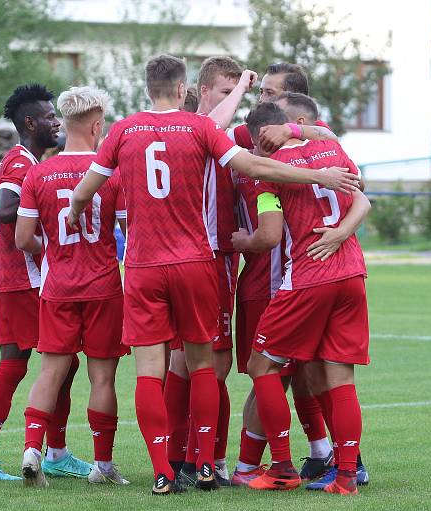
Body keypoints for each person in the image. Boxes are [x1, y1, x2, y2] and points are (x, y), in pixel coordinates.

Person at [68, 54, 360, 495]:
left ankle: (173, 468)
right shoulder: (202, 129)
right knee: (208, 365)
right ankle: (210, 462)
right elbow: (258, 169)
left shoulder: (126, 130)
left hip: (156, 265)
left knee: (165, 368)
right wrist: (317, 173)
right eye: (232, 92)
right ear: (191, 88)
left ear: (147, 86)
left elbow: (87, 189)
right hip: (200, 262)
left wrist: (74, 209)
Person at [229, 98, 369, 487]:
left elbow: (271, 234)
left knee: (262, 366)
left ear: (260, 139)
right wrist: (342, 233)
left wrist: (244, 240)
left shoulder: (270, 175)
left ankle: (281, 468)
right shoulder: (332, 148)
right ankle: (346, 476)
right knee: (340, 378)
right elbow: (362, 197)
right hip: (352, 273)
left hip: (308, 278)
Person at [0, 84, 91, 481]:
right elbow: (6, 210)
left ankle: (54, 451)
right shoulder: (20, 162)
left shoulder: (29, 160)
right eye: (51, 117)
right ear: (30, 122)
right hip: (24, 279)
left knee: (62, 361)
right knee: (24, 363)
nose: (57, 123)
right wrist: (52, 219)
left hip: (22, 278)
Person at [15, 86, 129, 488]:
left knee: (49, 374)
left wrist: (54, 254)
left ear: (64, 122)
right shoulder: (110, 172)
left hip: (58, 286)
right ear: (98, 125)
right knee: (103, 378)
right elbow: (128, 232)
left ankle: (32, 450)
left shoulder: (38, 172)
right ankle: (102, 464)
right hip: (103, 286)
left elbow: (22, 237)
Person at [162, 56, 255, 487]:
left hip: (215, 260)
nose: (234, 100)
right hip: (190, 258)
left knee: (204, 364)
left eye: (236, 91)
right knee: (187, 364)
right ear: (202, 90)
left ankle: (202, 458)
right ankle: (188, 458)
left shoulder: (234, 134)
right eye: (224, 91)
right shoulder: (188, 129)